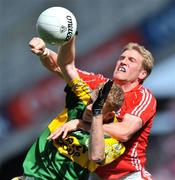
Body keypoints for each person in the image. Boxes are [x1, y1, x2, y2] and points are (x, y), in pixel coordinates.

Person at [27, 35, 157, 180]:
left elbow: (124, 132)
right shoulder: (100, 85)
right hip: (96, 172)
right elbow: (65, 67)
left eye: (131, 60)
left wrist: (80, 124)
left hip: (127, 176)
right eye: (121, 58)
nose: (123, 62)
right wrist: (45, 52)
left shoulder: (143, 97)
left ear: (142, 73)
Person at [13, 37, 125, 180]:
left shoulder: (114, 141)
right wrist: (48, 50)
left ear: (109, 115)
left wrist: (86, 122)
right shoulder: (83, 98)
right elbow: (64, 66)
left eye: (98, 108)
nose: (90, 108)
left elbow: (97, 156)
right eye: (91, 101)